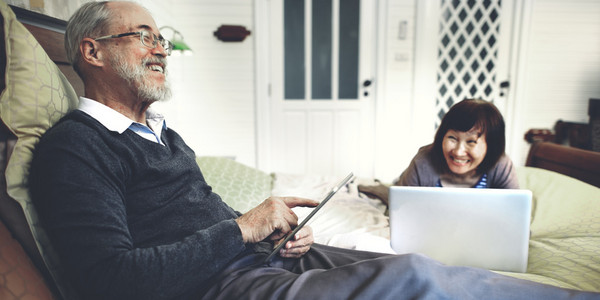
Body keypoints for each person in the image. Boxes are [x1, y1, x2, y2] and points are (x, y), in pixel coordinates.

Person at [28, 2, 598, 299]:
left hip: (261, 259)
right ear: (93, 52)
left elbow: (196, 217)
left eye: (162, 39)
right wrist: (244, 229)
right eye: (144, 36)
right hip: (220, 287)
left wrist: (274, 232)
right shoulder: (76, 147)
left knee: (417, 267)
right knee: (414, 286)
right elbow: (111, 280)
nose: (161, 49)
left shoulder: (161, 133)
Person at [395, 98, 518, 189]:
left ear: (491, 146)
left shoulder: (501, 165)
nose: (458, 152)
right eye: (452, 138)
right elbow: (401, 207)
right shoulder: (423, 161)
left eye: (471, 142)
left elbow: (515, 213)